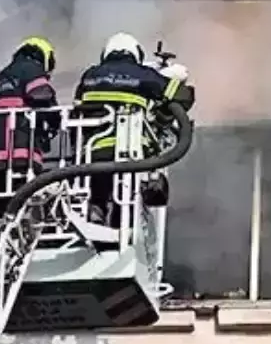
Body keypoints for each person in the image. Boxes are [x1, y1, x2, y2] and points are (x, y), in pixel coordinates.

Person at [72, 32, 194, 226]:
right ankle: (122, 223)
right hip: (132, 150)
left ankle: (97, 208)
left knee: (99, 184)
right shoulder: (144, 75)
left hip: (94, 150)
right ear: (136, 53)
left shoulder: (90, 75)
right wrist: (164, 116)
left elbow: (76, 109)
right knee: (128, 195)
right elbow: (182, 96)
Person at [0, 37, 61, 212]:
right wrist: (56, 120)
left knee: (8, 209)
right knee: (29, 203)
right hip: (19, 154)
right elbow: (42, 95)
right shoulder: (31, 69)